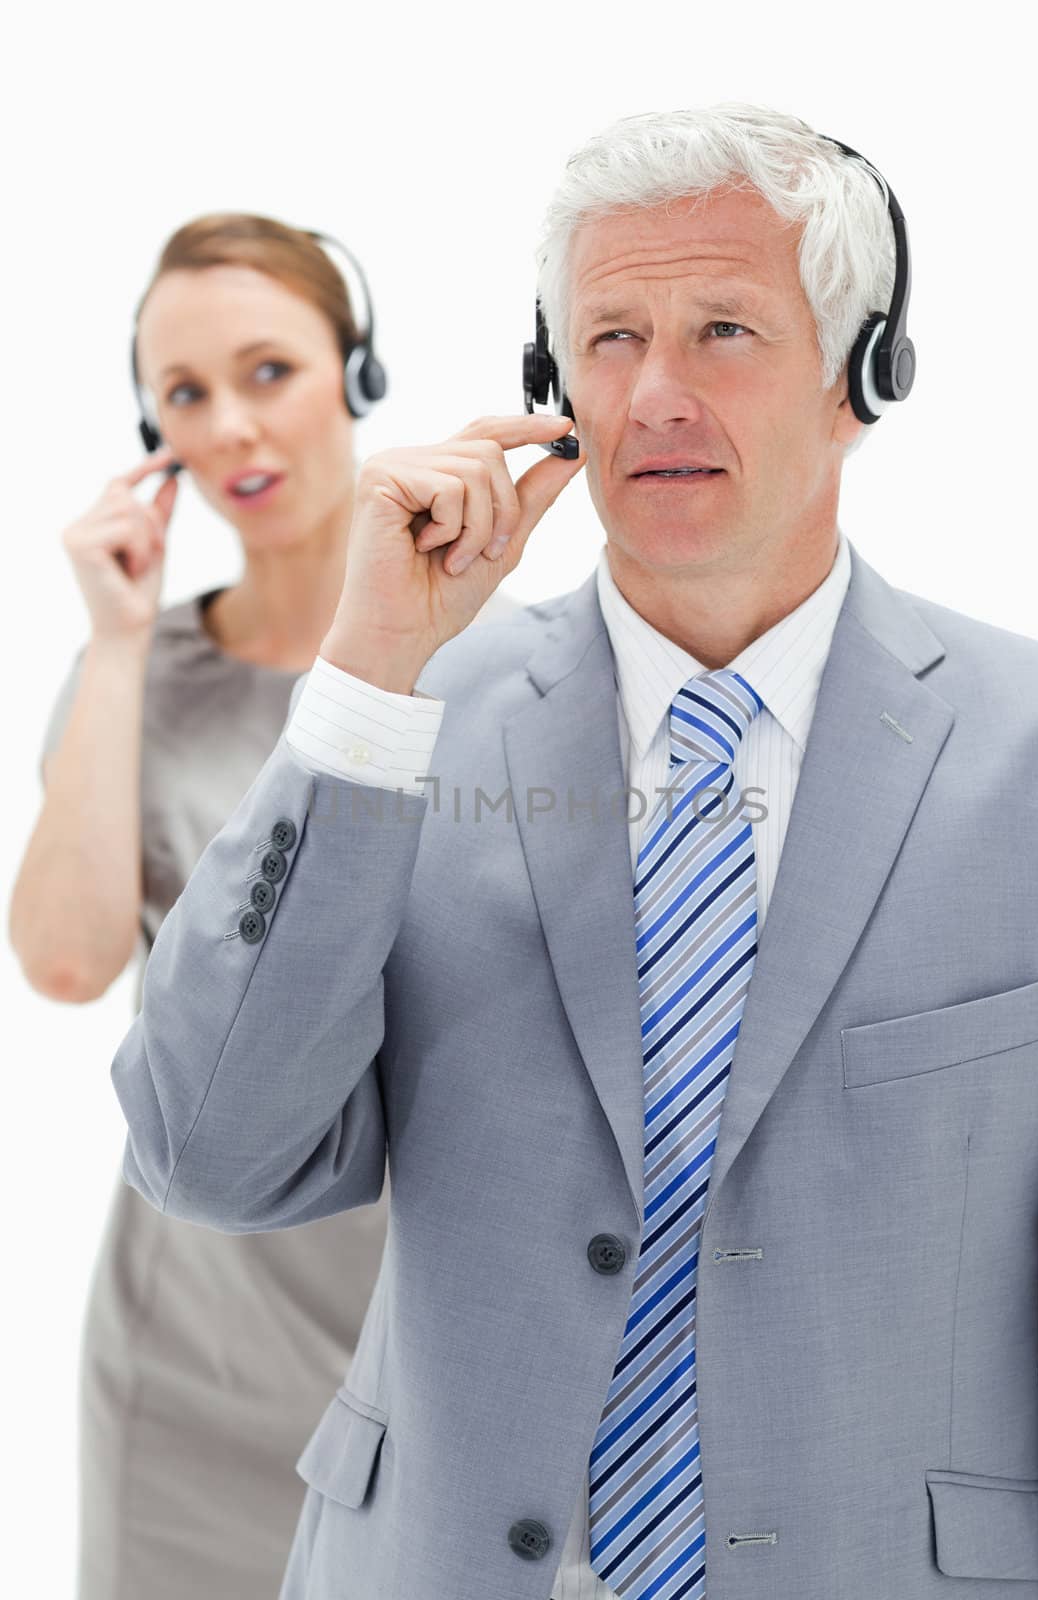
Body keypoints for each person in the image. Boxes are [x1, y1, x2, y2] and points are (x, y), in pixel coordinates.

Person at [103, 102, 1038, 1600]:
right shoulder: (409, 720)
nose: (655, 395)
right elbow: (209, 1153)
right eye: (610, 339)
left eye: (726, 329)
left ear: (865, 377)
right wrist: (362, 686)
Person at [8, 211, 516, 1598]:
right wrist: (118, 645)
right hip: (187, 1368)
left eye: (268, 370)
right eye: (185, 395)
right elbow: (61, 962)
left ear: (356, 375)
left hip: (438, 1353)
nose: (230, 425)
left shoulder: (499, 665)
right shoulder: (141, 679)